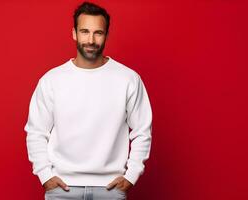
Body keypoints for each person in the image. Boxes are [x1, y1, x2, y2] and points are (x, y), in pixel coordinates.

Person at [24, 1, 153, 200]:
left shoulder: (128, 79)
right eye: (84, 31)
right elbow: (36, 131)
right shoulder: (52, 80)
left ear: (106, 36)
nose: (90, 39)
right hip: (62, 189)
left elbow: (142, 130)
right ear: (74, 33)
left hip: (110, 189)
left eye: (98, 33)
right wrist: (45, 175)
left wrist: (131, 175)